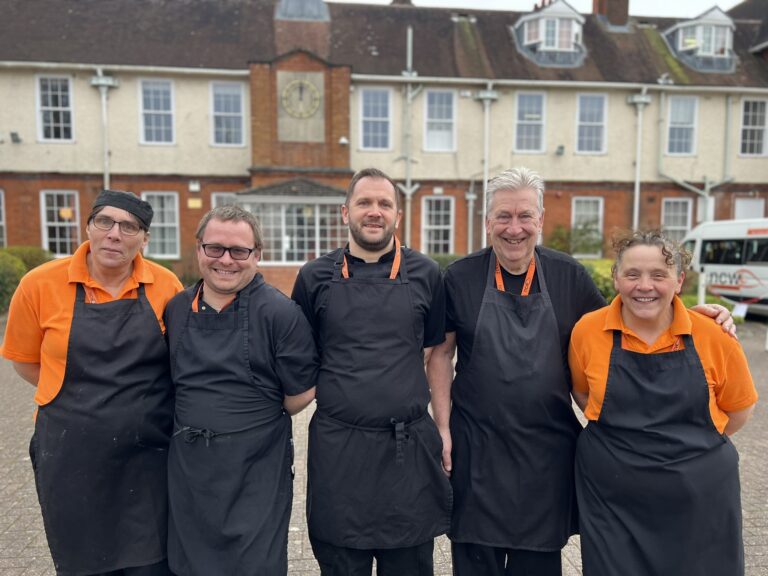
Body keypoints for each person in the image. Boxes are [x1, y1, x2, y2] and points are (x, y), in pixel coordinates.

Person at [426, 167, 735, 576]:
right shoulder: (459, 277)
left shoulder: (567, 274)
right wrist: (443, 428)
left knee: (536, 564)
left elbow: (625, 321)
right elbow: (441, 355)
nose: (514, 228)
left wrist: (689, 315)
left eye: (524, 216)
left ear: (540, 221)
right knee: (474, 562)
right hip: (476, 451)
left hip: (546, 454)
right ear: (487, 222)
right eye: (503, 216)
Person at [1, 190, 183, 576]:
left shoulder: (165, 286)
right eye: (105, 222)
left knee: (152, 564)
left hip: (147, 457)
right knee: (83, 563)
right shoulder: (40, 285)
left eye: (129, 226)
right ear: (89, 228)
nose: (115, 234)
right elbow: (25, 361)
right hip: (70, 457)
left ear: (144, 239)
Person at [291, 167, 452, 576]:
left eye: (384, 203)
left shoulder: (427, 274)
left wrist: (443, 428)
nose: (374, 211)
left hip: (407, 451)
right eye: (365, 202)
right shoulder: (313, 277)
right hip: (338, 452)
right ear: (345, 212)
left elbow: (435, 353)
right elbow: (300, 356)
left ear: (398, 214)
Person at [569, 230, 757, 576]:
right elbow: (582, 394)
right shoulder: (587, 331)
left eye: (659, 275)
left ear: (679, 280)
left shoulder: (714, 335)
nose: (645, 286)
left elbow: (739, 410)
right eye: (632, 274)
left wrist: (688, 449)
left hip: (699, 496)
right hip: (613, 495)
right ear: (616, 278)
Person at [164, 205, 318, 576]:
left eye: (239, 251)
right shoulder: (175, 308)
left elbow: (301, 393)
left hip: (256, 467)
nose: (226, 261)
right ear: (199, 249)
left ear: (257, 255)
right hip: (190, 470)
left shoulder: (282, 314)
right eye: (215, 248)